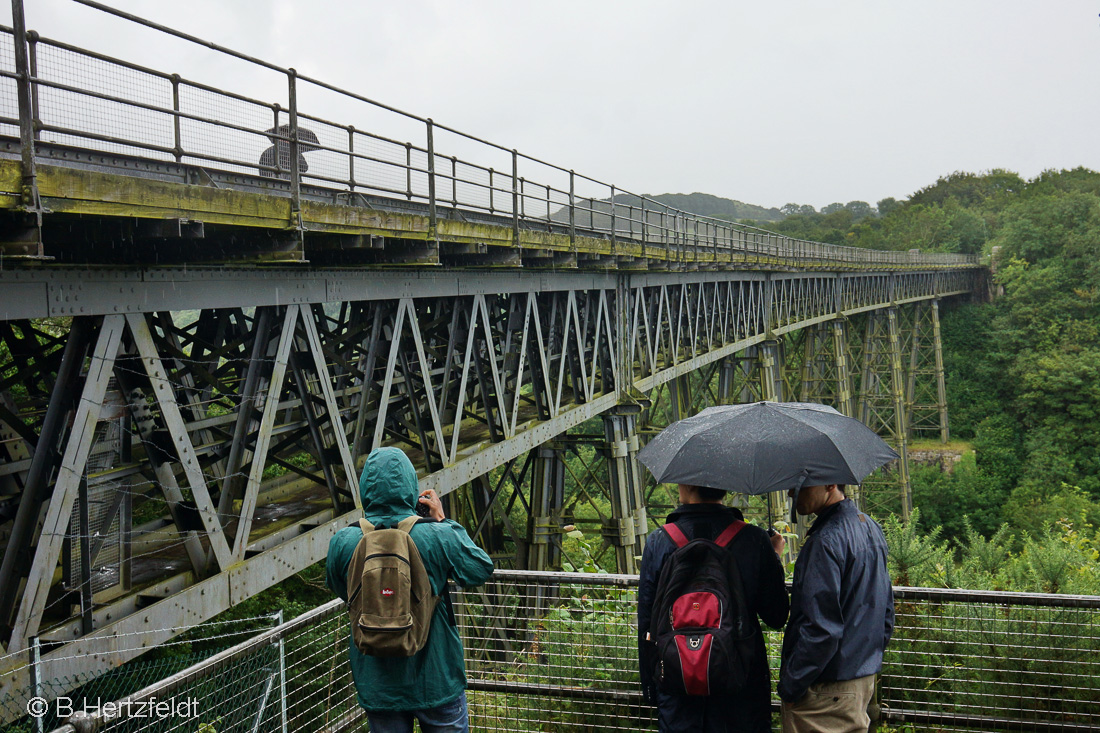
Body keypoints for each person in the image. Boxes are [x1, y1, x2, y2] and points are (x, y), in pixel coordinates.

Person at [326, 447, 494, 733]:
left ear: (366, 487)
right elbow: (479, 569)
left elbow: (342, 591)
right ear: (410, 487)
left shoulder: (344, 541)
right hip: (437, 678)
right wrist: (441, 520)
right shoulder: (437, 535)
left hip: (378, 683)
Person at [638, 484, 790, 732]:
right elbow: (776, 615)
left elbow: (646, 623)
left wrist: (652, 687)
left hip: (678, 689)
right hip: (741, 691)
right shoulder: (753, 539)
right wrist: (772, 556)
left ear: (685, 484)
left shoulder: (658, 541)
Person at [778, 483, 895, 733]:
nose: (791, 493)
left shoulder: (825, 540)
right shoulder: (869, 526)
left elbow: (821, 629)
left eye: (800, 486)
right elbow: (886, 611)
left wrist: (791, 685)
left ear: (830, 483)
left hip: (825, 690)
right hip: (860, 680)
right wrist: (867, 659)